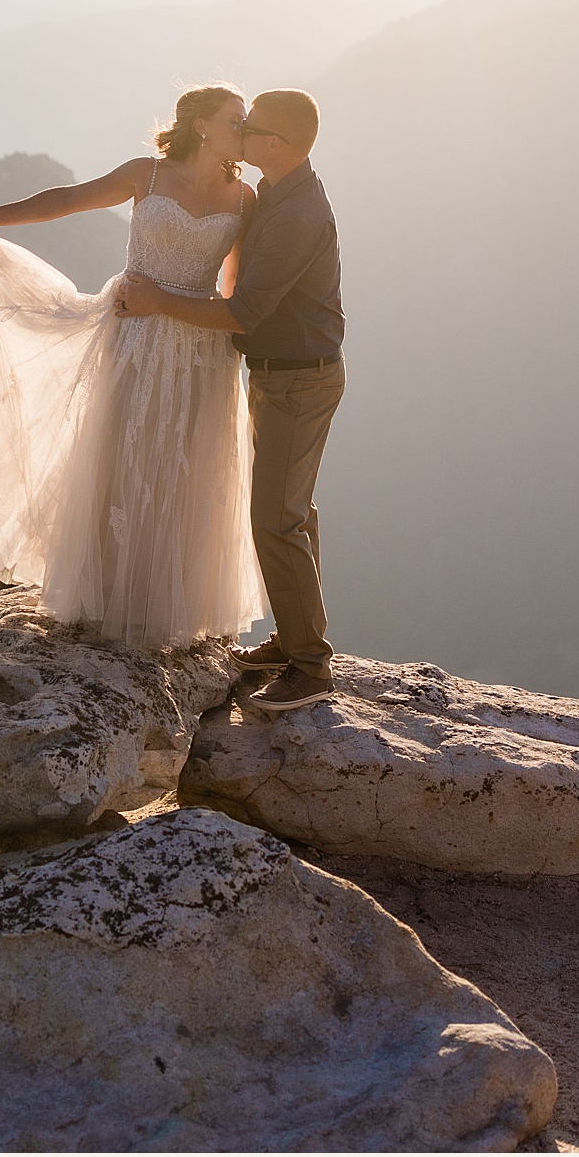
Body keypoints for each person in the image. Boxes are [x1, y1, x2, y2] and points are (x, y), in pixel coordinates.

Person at [0, 84, 268, 649]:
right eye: (237, 117)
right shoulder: (148, 174)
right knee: (118, 452)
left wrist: (225, 341)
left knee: (188, 466)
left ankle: (166, 606)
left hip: (201, 351)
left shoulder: (244, 197)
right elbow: (69, 199)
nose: (246, 126)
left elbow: (234, 288)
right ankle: (107, 593)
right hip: (132, 332)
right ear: (203, 125)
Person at [119, 88, 343, 712]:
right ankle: (294, 638)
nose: (240, 135)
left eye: (251, 128)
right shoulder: (276, 190)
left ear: (275, 143)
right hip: (281, 375)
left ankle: (309, 668)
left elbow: (243, 310)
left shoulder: (297, 212)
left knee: (276, 519)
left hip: (299, 378)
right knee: (293, 510)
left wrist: (159, 304)